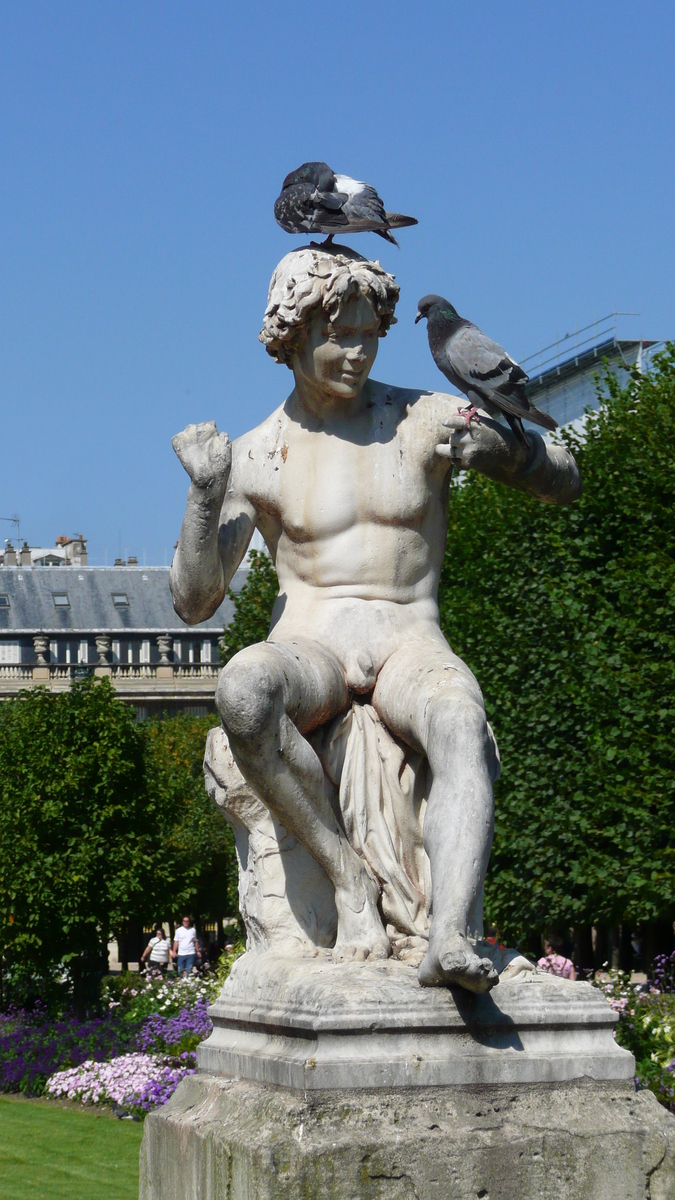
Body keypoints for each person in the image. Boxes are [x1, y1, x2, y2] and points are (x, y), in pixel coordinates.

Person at [170, 245, 581, 994]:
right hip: (311, 647)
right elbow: (194, 599)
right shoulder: (257, 453)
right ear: (290, 338)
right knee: (241, 690)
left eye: (369, 334)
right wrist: (204, 495)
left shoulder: (423, 419)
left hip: (407, 640)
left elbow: (565, 480)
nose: (357, 352)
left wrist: (506, 455)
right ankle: (348, 883)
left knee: (458, 718)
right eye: (339, 337)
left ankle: (450, 936)